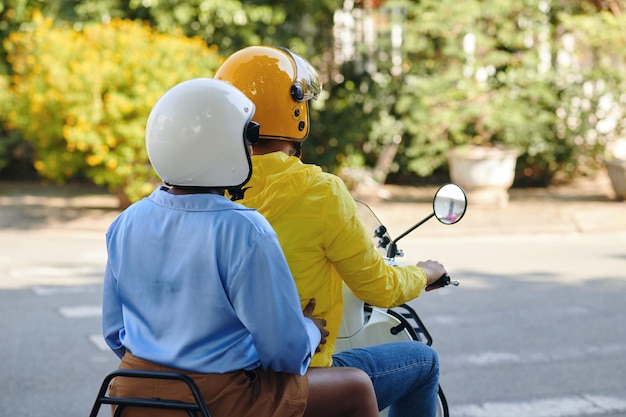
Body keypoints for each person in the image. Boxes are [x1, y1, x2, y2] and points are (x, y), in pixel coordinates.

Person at [101, 77, 379, 417]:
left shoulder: (127, 221)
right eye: (248, 135)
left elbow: (115, 333)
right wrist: (308, 330)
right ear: (221, 147)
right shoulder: (244, 228)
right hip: (215, 400)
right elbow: (283, 352)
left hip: (129, 395)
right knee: (358, 385)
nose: (252, 146)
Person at [215, 46, 447, 417]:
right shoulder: (320, 192)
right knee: (422, 361)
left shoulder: (210, 187)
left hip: (223, 380)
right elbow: (379, 287)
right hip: (302, 376)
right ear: (296, 112)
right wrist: (425, 273)